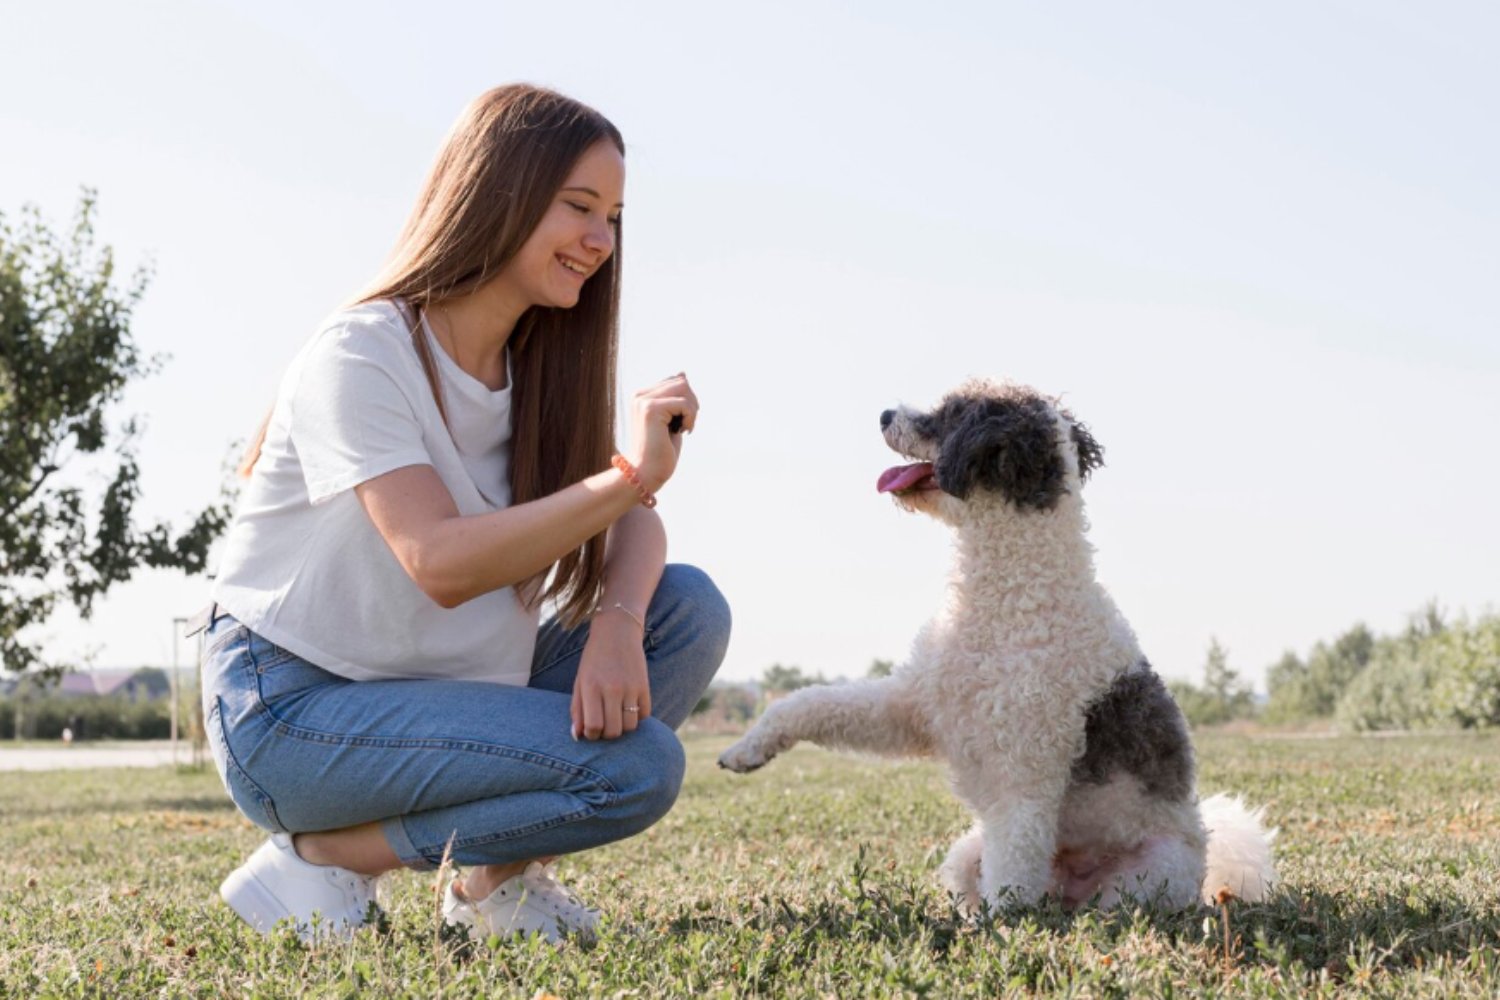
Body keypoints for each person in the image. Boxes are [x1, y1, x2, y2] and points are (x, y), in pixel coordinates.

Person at [196, 84, 729, 944]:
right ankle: (327, 853)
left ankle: (491, 889)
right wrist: (631, 474)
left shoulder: (538, 369)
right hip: (292, 709)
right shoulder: (363, 351)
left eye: (615, 216)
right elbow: (439, 562)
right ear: (500, 195)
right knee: (635, 770)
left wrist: (620, 621)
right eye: (580, 207)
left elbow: (632, 525)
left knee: (685, 608)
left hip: (437, 689)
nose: (602, 240)